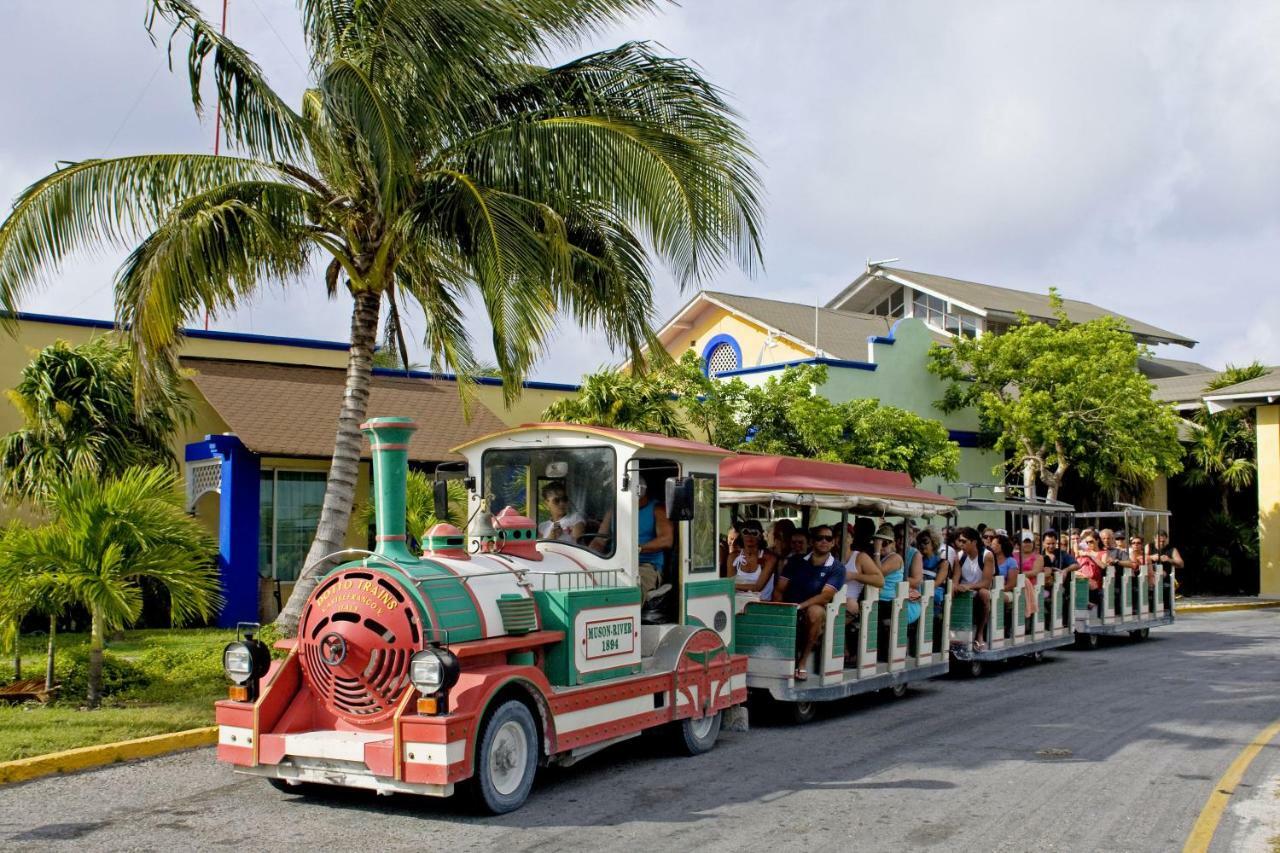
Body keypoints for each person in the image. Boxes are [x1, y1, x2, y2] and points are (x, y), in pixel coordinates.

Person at [773, 524, 845, 681]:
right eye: (819, 538)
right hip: (790, 607)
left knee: (815, 611)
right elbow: (780, 588)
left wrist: (800, 607)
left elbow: (825, 596)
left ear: (833, 543)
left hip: (813, 611)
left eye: (828, 538)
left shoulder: (837, 567)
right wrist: (779, 607)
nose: (824, 541)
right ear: (812, 542)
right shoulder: (796, 561)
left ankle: (802, 661)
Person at [842, 517, 885, 662]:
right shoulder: (830, 556)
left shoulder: (862, 554)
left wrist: (854, 575)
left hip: (857, 601)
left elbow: (879, 579)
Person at [953, 527, 996, 650]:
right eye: (960, 541)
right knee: (951, 591)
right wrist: (955, 586)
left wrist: (968, 586)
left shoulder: (987, 555)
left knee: (984, 594)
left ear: (974, 542)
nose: (961, 544)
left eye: (964, 541)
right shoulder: (960, 555)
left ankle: (980, 633)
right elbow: (956, 576)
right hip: (964, 589)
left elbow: (986, 583)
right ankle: (953, 633)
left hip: (978, 588)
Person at [878, 523, 922, 626]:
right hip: (890, 595)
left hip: (907, 599)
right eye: (899, 536)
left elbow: (916, 582)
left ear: (912, 537)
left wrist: (896, 577)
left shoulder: (915, 554)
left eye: (907, 536)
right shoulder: (887, 552)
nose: (903, 539)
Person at [636, 477, 673, 599]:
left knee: (632, 589)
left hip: (647, 566)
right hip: (614, 564)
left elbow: (667, 540)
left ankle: (647, 594)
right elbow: (598, 541)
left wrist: (638, 548)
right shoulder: (613, 511)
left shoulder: (657, 509)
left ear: (640, 490)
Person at [731, 522, 778, 598]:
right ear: (741, 535)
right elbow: (730, 585)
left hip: (762, 605)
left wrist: (734, 585)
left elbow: (757, 587)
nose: (750, 536)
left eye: (754, 533)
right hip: (738, 603)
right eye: (745, 532)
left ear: (760, 536)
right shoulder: (733, 557)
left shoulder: (769, 558)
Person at [917, 528, 948, 606]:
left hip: (933, 597)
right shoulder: (917, 560)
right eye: (920, 542)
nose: (922, 545)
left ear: (934, 543)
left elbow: (936, 583)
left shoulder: (942, 563)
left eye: (925, 542)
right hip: (918, 594)